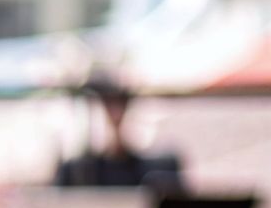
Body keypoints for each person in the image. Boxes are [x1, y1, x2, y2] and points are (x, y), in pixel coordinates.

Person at [53, 76, 183, 191]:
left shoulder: (157, 169)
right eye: (108, 105)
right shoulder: (75, 172)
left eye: (121, 104)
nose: (115, 115)